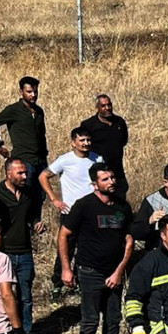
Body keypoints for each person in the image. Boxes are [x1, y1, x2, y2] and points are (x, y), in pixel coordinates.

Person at [60, 163, 132, 334]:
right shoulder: (84, 206)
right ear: (94, 184)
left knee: (113, 318)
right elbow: (64, 235)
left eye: (112, 177)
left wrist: (119, 271)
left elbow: (129, 240)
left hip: (114, 273)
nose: (111, 181)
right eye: (105, 179)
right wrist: (66, 268)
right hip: (90, 272)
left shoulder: (122, 207)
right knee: (90, 320)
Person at [0, 159, 45, 334]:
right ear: (8, 174)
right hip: (3, 253)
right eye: (20, 173)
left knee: (26, 298)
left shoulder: (28, 194)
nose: (25, 176)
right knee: (3, 295)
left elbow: (32, 216)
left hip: (24, 252)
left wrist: (36, 223)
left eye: (25, 172)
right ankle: (4, 331)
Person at [41, 127, 103, 296]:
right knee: (66, 248)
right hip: (70, 212)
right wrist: (54, 199)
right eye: (82, 140)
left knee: (86, 249)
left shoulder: (97, 158)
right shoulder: (65, 160)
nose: (86, 143)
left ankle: (79, 283)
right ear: (73, 143)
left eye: (88, 140)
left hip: (91, 213)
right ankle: (57, 284)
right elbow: (43, 176)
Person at [0, 76, 48, 207]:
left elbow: (42, 135)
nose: (33, 95)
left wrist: (44, 156)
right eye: (29, 92)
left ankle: (36, 224)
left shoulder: (39, 111)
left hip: (40, 161)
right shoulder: (14, 110)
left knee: (40, 196)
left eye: (35, 92)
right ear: (21, 92)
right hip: (24, 160)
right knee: (25, 195)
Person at [78, 94, 130, 200]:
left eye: (109, 105)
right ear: (97, 107)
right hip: (98, 171)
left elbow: (123, 141)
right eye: (103, 106)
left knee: (119, 200)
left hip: (117, 170)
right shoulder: (88, 125)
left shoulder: (119, 122)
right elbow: (83, 145)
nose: (107, 108)